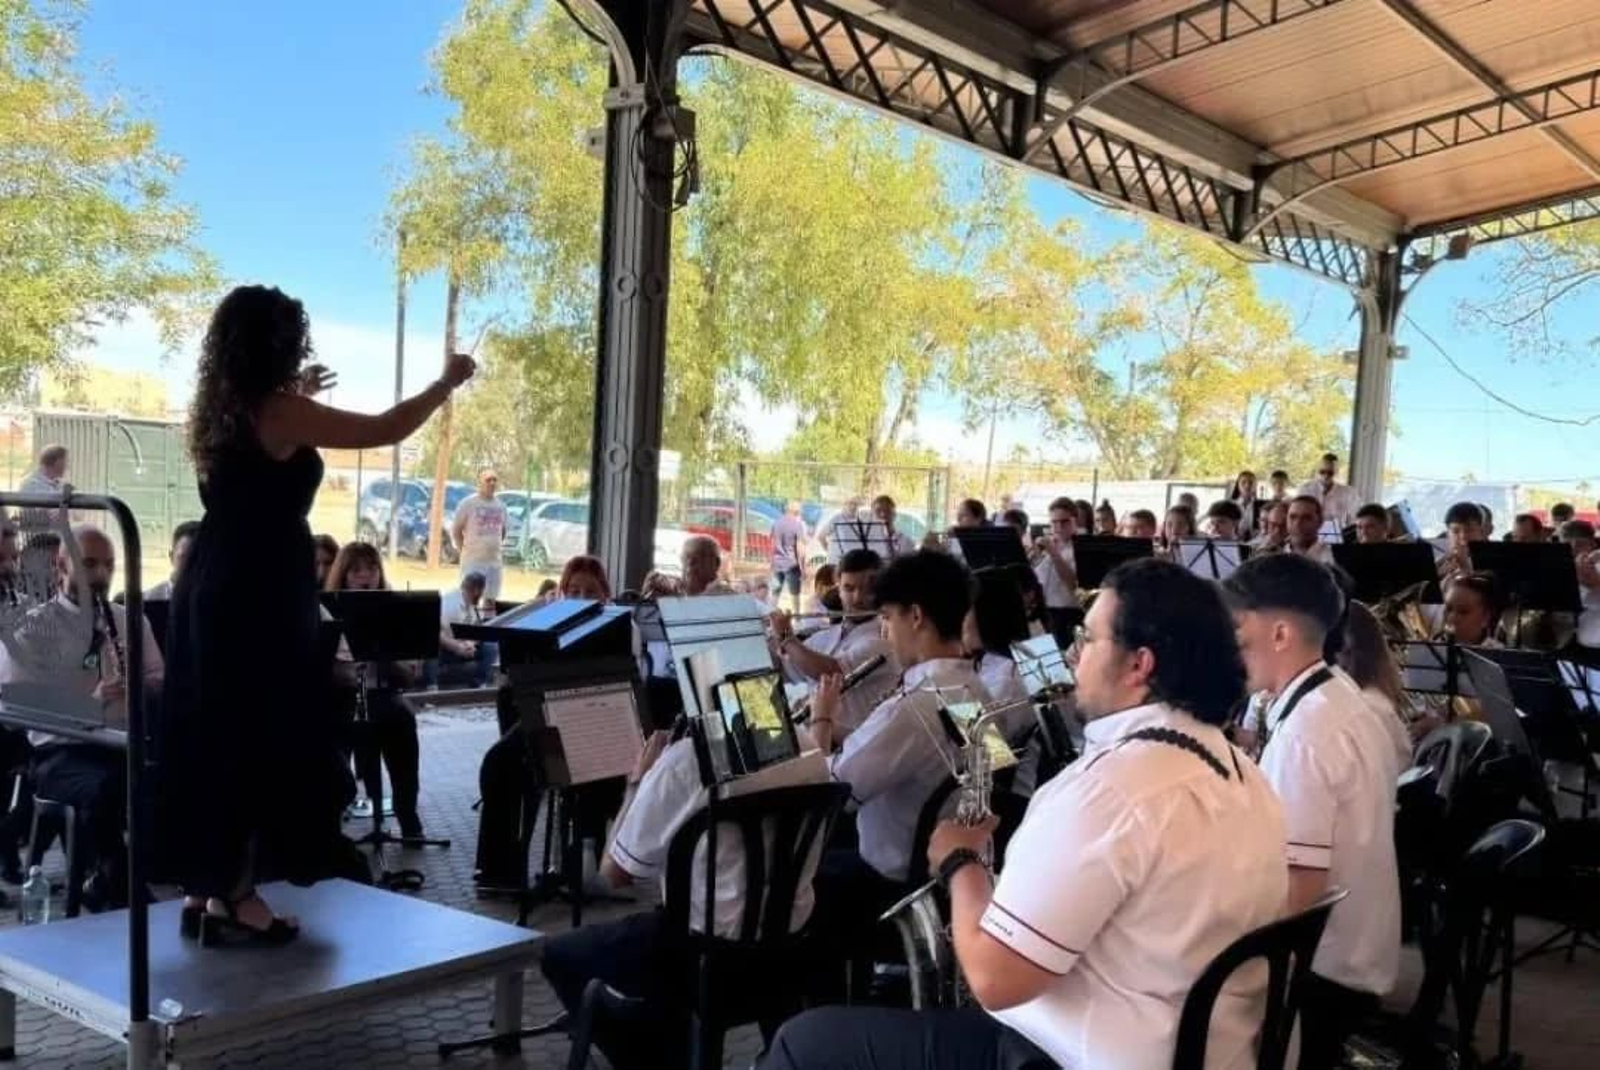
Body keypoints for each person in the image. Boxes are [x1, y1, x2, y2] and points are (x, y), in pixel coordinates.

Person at [764, 559, 1287, 1070]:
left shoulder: (1108, 791)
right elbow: (990, 762)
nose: (1073, 657)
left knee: (801, 1040)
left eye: (1086, 639)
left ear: (1139, 665)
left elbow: (994, 978)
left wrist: (960, 862)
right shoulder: (1243, 772)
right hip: (1199, 1044)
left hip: (1071, 1051)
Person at [158, 284, 474, 942]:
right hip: (260, 587)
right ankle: (241, 896)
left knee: (215, 729)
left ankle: (207, 887)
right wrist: (445, 383)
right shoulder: (280, 411)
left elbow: (256, 471)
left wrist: (299, 391)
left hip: (212, 579)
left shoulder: (221, 409)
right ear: (279, 343)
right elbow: (385, 427)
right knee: (261, 731)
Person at [542, 697, 827, 1070]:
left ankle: (653, 1059)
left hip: (697, 959)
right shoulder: (807, 744)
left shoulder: (685, 760)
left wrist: (638, 782)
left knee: (559, 954)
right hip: (786, 951)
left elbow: (614, 874)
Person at [1224, 553, 1403, 1068]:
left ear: (1280, 634)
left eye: (1239, 627)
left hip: (1327, 970)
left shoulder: (1308, 731)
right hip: (1357, 947)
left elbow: (1298, 886)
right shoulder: (1336, 693)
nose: (1233, 643)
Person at [806, 551, 989, 945]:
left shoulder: (915, 705)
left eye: (888, 618)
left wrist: (820, 719)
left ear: (916, 616)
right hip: (947, 870)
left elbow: (830, 791)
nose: (885, 632)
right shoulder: (972, 688)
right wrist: (843, 730)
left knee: (788, 873)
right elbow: (932, 750)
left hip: (893, 882)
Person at [6, 526, 163, 910]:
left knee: (170, 776)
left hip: (121, 743)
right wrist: (85, 703)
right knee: (106, 788)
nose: (102, 575)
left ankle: (116, 879)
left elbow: (159, 680)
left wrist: (137, 690)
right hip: (60, 755)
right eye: (89, 563)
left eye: (109, 565)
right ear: (61, 565)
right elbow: (13, 709)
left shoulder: (131, 622)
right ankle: (119, 883)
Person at [326, 542, 426, 842]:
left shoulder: (396, 611)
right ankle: (329, 827)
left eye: (371, 569)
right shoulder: (328, 610)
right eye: (356, 570)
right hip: (342, 698)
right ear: (343, 576)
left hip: (383, 694)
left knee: (402, 717)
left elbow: (410, 677)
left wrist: (387, 656)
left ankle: (406, 812)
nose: (365, 576)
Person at [773, 549, 896, 736]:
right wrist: (764, 643)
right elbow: (786, 670)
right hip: (811, 738)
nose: (857, 598)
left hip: (845, 750)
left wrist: (787, 638)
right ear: (838, 589)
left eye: (867, 590)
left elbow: (831, 673)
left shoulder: (883, 640)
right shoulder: (826, 635)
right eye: (849, 588)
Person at [962, 567, 1030, 737]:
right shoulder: (1026, 652)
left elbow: (987, 752)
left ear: (987, 613)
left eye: (964, 610)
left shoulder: (1003, 678)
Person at [426, 571, 496, 688]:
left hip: (464, 647)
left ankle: (479, 683)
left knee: (490, 645)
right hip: (446, 648)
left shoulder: (474, 605)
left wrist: (470, 644)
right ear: (477, 590)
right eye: (482, 591)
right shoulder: (449, 604)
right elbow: (435, 632)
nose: (483, 594)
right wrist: (456, 647)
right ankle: (431, 687)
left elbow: (477, 630)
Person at [451, 469, 508, 602]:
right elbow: (456, 530)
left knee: (491, 600)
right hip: (473, 562)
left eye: (495, 480)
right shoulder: (468, 504)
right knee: (469, 599)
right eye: (488, 480)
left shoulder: (501, 506)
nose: (492, 483)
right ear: (480, 483)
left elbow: (503, 531)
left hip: (494, 563)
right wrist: (464, 550)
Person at [1029, 497, 1078, 646]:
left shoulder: (1080, 548)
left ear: (1075, 521)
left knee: (1065, 665)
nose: (1058, 527)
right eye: (1054, 522)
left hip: (1068, 615)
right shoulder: (1047, 546)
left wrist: (1053, 552)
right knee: (1038, 665)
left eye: (1064, 522)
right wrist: (1032, 558)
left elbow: (1074, 585)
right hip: (1042, 613)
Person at [1557, 520, 1600, 651]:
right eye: (1567, 545)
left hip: (1594, 640)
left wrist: (1595, 584)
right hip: (1567, 642)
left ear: (1592, 543)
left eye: (1580, 544)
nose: (1574, 550)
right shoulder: (1558, 566)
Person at [16, 444, 68, 540]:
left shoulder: (60, 484)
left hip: (57, 541)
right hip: (37, 542)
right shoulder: (30, 484)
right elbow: (35, 515)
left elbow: (78, 514)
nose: (67, 466)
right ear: (57, 463)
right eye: (65, 462)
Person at [144, 521, 201, 601]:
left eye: (200, 558)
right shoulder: (149, 600)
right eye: (184, 558)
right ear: (171, 557)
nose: (193, 565)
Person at [769, 500, 809, 612]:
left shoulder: (776, 523)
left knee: (775, 593)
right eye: (799, 512)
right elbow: (800, 549)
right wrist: (803, 569)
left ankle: (770, 617)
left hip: (777, 564)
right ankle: (797, 621)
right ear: (796, 512)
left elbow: (772, 545)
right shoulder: (798, 525)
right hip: (792, 565)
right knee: (795, 596)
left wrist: (771, 564)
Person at [1299, 452, 1356, 528]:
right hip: (1309, 532)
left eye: (1330, 473)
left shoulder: (1348, 492)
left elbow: (1357, 515)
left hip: (1336, 536)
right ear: (1318, 470)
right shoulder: (1306, 489)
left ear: (1336, 472)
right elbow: (1298, 512)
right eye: (1322, 472)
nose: (1325, 476)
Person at [1437, 501, 1486, 587]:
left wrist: (1465, 567)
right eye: (1455, 531)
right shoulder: (1440, 562)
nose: (1463, 536)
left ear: (1481, 531)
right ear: (1448, 534)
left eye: (1469, 530)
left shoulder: (1493, 560)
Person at [1286, 494, 1334, 563]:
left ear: (1320, 522)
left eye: (1306, 518)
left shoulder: (1333, 557)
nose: (1297, 523)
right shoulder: (1274, 553)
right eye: (1292, 517)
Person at [816, 496, 862, 565]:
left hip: (853, 561)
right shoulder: (837, 518)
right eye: (850, 503)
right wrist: (830, 552)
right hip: (837, 561)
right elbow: (821, 536)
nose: (853, 506)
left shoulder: (860, 520)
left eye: (855, 504)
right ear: (844, 505)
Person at [1228, 469, 1263, 539]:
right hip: (1234, 543)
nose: (1247, 485)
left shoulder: (1261, 506)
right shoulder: (1229, 506)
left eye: (1251, 482)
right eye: (1243, 482)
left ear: (1256, 485)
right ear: (1238, 485)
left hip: (1255, 544)